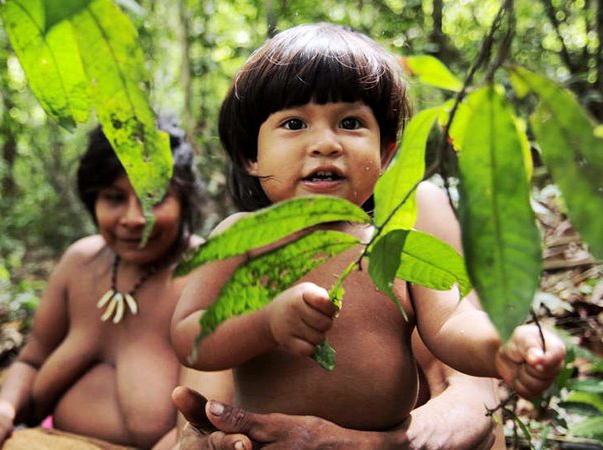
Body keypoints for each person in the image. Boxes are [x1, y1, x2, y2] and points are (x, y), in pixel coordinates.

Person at [170, 22, 566, 442]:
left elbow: (452, 322)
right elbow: (190, 334)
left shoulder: (393, 242)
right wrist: (266, 323)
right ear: (251, 153)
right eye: (293, 124)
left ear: (385, 152)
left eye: (350, 123)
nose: (325, 143)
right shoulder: (242, 237)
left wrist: (502, 347)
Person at [0, 117, 203, 450]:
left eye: (153, 198)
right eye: (114, 198)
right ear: (93, 201)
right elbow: (31, 360)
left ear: (184, 200)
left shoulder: (206, 274)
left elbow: (205, 425)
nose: (133, 218)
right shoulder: (80, 263)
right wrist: (1, 411)